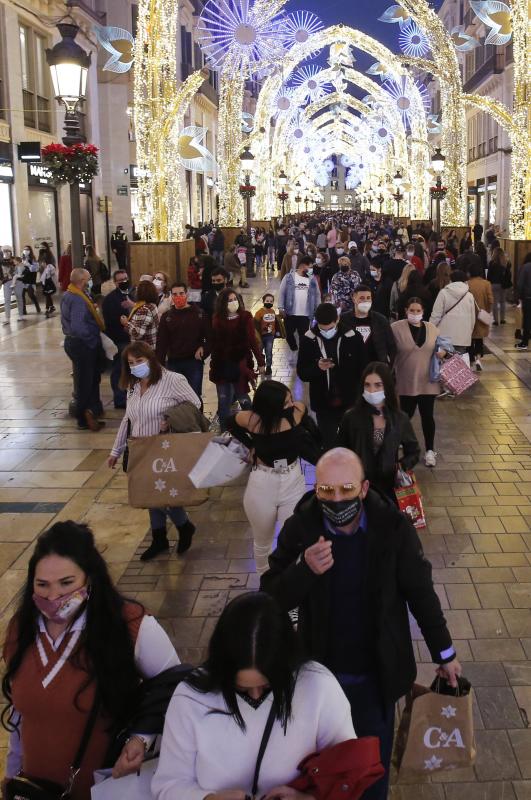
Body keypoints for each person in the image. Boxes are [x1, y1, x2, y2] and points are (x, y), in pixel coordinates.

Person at [261, 448, 461, 800]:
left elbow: (420, 592)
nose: (336, 499)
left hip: (375, 679)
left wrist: (445, 653)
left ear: (364, 488)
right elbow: (270, 600)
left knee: (369, 775)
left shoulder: (392, 528)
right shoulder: (301, 528)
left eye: (346, 489)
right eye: (326, 491)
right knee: (321, 770)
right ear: (316, 488)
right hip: (318, 680)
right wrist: (303, 571)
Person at [2, 521, 180, 800]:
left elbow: (176, 689)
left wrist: (141, 738)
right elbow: (20, 716)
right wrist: (11, 778)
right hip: (37, 790)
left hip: (108, 789)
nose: (53, 596)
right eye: (42, 585)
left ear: (90, 579)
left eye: (66, 583)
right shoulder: (20, 631)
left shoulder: (130, 627)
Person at [152, 591, 356, 800]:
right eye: (241, 689)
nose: (256, 696)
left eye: (268, 686)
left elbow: (348, 774)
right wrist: (208, 799)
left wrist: (306, 798)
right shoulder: (190, 697)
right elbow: (169, 784)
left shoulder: (318, 686)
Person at [108, 341, 201, 559]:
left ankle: (184, 525)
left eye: (139, 361)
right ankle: (160, 538)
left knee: (163, 496)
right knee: (151, 495)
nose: (135, 366)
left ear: (151, 358)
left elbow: (194, 404)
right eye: (131, 363)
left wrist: (170, 418)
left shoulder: (173, 380)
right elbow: (128, 419)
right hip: (140, 449)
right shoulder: (134, 384)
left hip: (164, 448)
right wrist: (115, 450)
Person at [227, 383, 317, 574]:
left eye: (290, 399)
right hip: (262, 483)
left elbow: (302, 408)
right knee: (262, 542)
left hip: (293, 480)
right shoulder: (252, 420)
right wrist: (250, 444)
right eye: (286, 402)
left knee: (293, 539)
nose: (291, 404)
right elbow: (230, 423)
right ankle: (264, 584)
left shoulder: (295, 413)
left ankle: (289, 585)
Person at [336, 362, 419, 498]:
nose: (372, 391)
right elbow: (339, 449)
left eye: (378, 385)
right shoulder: (351, 417)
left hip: (388, 489)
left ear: (387, 387)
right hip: (358, 487)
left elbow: (414, 451)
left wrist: (401, 466)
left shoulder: (399, 418)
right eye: (367, 385)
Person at [297, 303, 366, 449]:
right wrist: (317, 368)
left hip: (349, 400)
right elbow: (302, 372)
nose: (326, 332)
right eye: (322, 328)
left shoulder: (353, 337)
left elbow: (362, 368)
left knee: (352, 440)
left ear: (337, 319)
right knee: (329, 442)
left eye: (330, 328)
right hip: (323, 402)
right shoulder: (309, 340)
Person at [393, 297, 443, 467]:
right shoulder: (396, 328)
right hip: (405, 382)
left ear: (423, 312)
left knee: (428, 416)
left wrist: (443, 352)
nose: (415, 314)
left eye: (418, 311)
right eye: (412, 310)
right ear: (406, 310)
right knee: (405, 416)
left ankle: (430, 450)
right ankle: (404, 446)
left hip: (428, 382)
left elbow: (442, 346)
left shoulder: (432, 328)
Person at [209, 288, 265, 430]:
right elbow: (214, 343)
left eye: (235, 299)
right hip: (222, 366)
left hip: (240, 365)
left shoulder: (245, 317)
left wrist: (260, 361)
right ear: (223, 303)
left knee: (244, 399)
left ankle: (254, 429)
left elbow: (252, 340)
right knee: (223, 403)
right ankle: (225, 432)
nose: (233, 302)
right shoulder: (217, 319)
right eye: (229, 300)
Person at [61, 268, 105, 432]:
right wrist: (92, 340)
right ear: (82, 281)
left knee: (90, 379)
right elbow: (79, 327)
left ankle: (91, 412)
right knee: (85, 383)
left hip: (75, 343)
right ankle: (83, 419)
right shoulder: (78, 299)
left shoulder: (69, 294)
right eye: (88, 278)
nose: (90, 280)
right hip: (83, 344)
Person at [156, 282, 211, 399]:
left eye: (181, 293)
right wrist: (159, 365)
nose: (178, 297)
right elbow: (161, 343)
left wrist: (204, 349)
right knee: (175, 396)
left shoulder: (199, 314)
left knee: (194, 395)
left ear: (187, 294)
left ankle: (196, 418)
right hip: (173, 363)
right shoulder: (167, 317)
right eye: (175, 294)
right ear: (171, 296)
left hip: (193, 362)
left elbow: (211, 338)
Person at [102, 270, 135, 409]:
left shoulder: (133, 295)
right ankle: (120, 399)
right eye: (120, 280)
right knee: (119, 370)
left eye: (125, 278)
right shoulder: (110, 299)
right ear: (115, 283)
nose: (124, 281)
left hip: (135, 339)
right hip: (120, 340)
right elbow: (109, 322)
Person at [341, 285, 396, 365]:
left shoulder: (381, 320)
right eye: (362, 298)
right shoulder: (343, 320)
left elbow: (391, 346)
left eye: (368, 298)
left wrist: (388, 365)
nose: (365, 301)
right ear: (354, 299)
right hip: (351, 367)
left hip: (376, 367)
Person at [278, 256, 321, 359]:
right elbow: (282, 292)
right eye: (310, 267)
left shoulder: (312, 279)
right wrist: (281, 307)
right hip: (290, 312)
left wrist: (318, 309)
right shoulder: (288, 277)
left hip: (305, 315)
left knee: (304, 336)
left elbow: (317, 294)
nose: (311, 270)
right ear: (302, 266)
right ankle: (294, 348)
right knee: (288, 334)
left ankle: (301, 355)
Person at [429, 270, 476, 354]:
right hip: (462, 337)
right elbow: (472, 318)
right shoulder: (469, 296)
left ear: (451, 280)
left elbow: (436, 315)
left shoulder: (443, 293)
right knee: (457, 364)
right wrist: (469, 332)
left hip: (444, 336)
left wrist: (430, 329)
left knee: (443, 363)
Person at [468, 259, 494, 371]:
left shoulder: (467, 283)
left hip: (469, 315)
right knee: (479, 339)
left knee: (469, 339)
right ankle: (478, 358)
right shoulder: (486, 284)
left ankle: (471, 359)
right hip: (481, 315)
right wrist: (487, 310)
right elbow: (490, 300)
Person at [120, 279, 159, 348]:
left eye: (137, 289)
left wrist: (126, 323)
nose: (136, 291)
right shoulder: (152, 305)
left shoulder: (144, 310)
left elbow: (138, 334)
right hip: (151, 347)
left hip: (144, 350)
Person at [254, 292, 280, 376]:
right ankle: (261, 365)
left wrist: (277, 331)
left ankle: (269, 367)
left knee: (269, 351)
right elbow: (255, 323)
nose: (269, 302)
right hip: (260, 336)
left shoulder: (272, 311)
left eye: (271, 301)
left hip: (270, 336)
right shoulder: (259, 312)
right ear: (263, 301)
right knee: (260, 351)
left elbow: (276, 322)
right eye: (267, 301)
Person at [487, 246, 511, 326]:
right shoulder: (506, 263)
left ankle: (496, 320)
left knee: (495, 303)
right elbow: (509, 275)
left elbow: (489, 275)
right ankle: (502, 319)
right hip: (503, 284)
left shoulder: (491, 263)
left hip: (494, 284)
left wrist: (488, 283)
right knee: (503, 302)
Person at [516, 252, 531, 350]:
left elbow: (520, 284)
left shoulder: (525, 267)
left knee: (527, 319)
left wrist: (518, 296)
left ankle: (525, 342)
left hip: (528, 297)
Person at [21, 245, 41, 314]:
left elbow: (36, 269)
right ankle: (23, 310)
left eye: (27, 249)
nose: (26, 251)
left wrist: (29, 265)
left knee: (31, 295)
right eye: (24, 249)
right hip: (23, 279)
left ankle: (37, 306)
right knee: (22, 295)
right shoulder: (22, 259)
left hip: (30, 280)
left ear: (30, 251)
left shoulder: (33, 259)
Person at [1, 247, 16, 325]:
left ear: (10, 252)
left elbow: (18, 269)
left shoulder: (14, 260)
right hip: (6, 282)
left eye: (7, 251)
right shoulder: (1, 261)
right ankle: (7, 318)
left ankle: (21, 314)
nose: (6, 252)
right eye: (4, 251)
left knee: (19, 298)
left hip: (16, 281)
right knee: (7, 300)